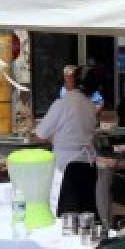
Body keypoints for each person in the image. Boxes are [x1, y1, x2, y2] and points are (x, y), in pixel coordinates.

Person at [33, 65, 99, 217]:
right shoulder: (90, 105)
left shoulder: (62, 103)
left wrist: (51, 137)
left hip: (67, 166)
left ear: (73, 81)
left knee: (67, 214)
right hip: (88, 164)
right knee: (86, 212)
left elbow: (41, 134)